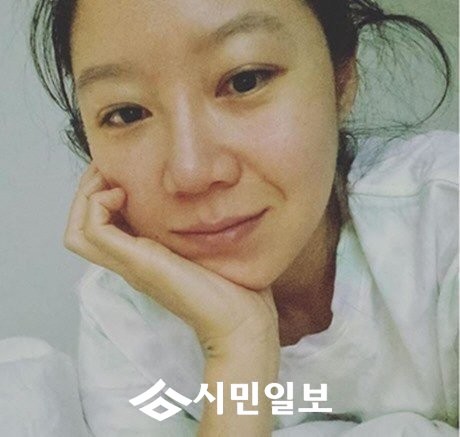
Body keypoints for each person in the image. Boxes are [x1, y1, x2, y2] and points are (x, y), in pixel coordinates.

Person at [30, 0, 458, 435]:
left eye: (244, 80)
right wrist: (237, 344)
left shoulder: (444, 221)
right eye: (127, 114)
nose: (191, 172)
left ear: (342, 78)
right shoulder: (123, 315)